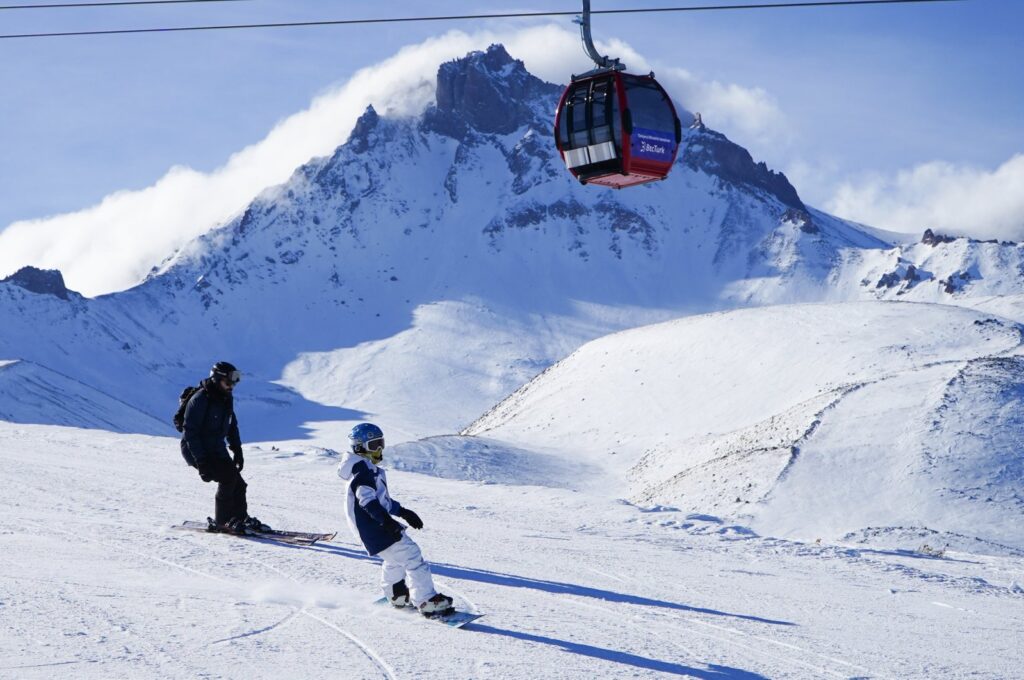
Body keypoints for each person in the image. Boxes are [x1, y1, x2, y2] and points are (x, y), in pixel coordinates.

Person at [337, 423, 454, 616]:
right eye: (374, 445)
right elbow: (367, 501)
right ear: (359, 447)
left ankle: (396, 594)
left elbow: (382, 501)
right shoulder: (362, 471)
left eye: (381, 443)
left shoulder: (365, 468)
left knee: (394, 559)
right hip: (374, 526)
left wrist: (403, 512)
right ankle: (425, 600)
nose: (379, 449)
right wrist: (387, 522)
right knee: (412, 556)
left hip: (370, 527)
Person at [181, 361, 269, 534]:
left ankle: (240, 518)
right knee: (227, 479)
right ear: (217, 379)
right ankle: (223, 521)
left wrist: (237, 449)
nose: (232, 386)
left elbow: (231, 425)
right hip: (197, 450)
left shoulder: (225, 397)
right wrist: (202, 462)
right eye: (229, 382)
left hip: (216, 448)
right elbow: (190, 433)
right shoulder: (199, 400)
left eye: (235, 381)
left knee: (239, 483)